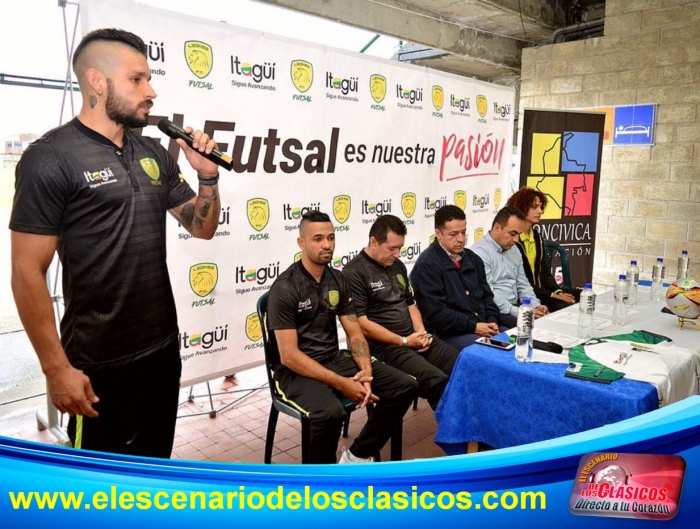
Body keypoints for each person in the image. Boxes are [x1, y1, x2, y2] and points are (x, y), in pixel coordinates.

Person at [10, 28, 222, 458]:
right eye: (137, 80)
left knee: (154, 470)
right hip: (97, 365)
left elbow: (202, 227)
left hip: (161, 351)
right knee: (99, 485)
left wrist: (207, 175)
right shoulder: (49, 158)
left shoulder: (154, 152)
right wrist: (56, 369)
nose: (151, 92)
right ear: (97, 81)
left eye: (149, 79)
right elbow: (26, 271)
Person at [267, 211, 418, 464]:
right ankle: (322, 481)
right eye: (317, 239)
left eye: (331, 237)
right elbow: (289, 356)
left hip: (333, 358)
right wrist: (342, 383)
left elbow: (355, 333)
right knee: (330, 413)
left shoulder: (338, 279)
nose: (327, 244)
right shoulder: (285, 287)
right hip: (294, 372)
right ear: (301, 243)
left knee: (404, 386)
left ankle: (357, 456)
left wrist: (366, 371)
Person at [342, 214, 459, 411]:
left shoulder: (398, 266)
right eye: (392, 249)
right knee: (436, 380)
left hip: (413, 338)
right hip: (385, 347)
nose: (397, 254)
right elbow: (361, 323)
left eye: (400, 248)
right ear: (373, 242)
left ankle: (470, 424)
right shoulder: (354, 272)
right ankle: (455, 430)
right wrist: (404, 341)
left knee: (462, 364)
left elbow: (411, 305)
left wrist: (421, 332)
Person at [410, 205, 503, 350]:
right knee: (488, 351)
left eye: (463, 232)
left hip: (482, 326)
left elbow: (487, 297)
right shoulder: (427, 264)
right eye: (453, 234)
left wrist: (492, 321)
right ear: (438, 233)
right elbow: (436, 315)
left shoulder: (473, 259)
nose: (461, 239)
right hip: (449, 333)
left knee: (516, 341)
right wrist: (474, 327)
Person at [471, 206, 548, 328]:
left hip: (516, 307)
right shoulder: (479, 253)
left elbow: (523, 283)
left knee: (545, 321)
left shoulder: (515, 250)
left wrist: (535, 305)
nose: (516, 240)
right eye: (513, 234)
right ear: (497, 228)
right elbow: (490, 294)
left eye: (519, 234)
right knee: (531, 327)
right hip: (495, 310)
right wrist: (521, 312)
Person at [506, 187, 580, 312]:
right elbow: (523, 283)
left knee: (582, 295)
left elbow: (545, 272)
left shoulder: (536, 236)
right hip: (528, 294)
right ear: (522, 207)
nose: (540, 211)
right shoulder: (513, 240)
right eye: (535, 207)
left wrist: (558, 291)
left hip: (544, 290)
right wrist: (554, 295)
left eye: (541, 207)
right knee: (562, 305)